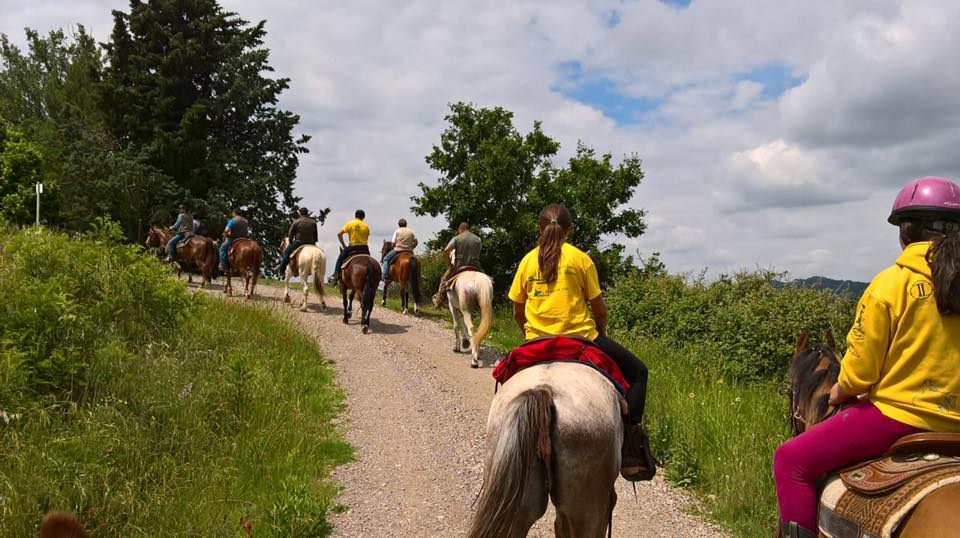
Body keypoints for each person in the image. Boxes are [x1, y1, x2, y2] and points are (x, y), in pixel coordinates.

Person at [772, 176, 960, 538]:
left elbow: (860, 371)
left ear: (906, 232)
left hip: (902, 417)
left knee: (791, 461)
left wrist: (841, 390)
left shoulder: (891, 284)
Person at [507, 203, 655, 482]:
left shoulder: (527, 261)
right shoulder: (580, 259)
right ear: (569, 231)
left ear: (539, 229)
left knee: (507, 380)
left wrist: (527, 335)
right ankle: (631, 447)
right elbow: (599, 308)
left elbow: (517, 308)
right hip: (580, 337)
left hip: (536, 339)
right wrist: (601, 333)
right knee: (639, 373)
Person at [431, 222, 482, 307]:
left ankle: (439, 299)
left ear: (460, 229)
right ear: (468, 229)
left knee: (444, 279)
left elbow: (446, 250)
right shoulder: (478, 239)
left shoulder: (456, 238)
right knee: (487, 280)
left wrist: (449, 264)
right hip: (476, 265)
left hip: (459, 265)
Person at [333, 209, 371, 283]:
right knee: (369, 261)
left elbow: (339, 234)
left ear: (355, 216)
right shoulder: (366, 226)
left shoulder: (350, 223)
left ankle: (336, 275)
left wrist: (343, 245)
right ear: (363, 217)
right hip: (364, 248)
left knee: (340, 258)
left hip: (353, 247)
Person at [278, 207, 317, 275]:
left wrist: (290, 241)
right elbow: (315, 235)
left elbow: (290, 234)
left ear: (300, 213)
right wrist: (314, 242)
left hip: (299, 242)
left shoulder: (296, 222)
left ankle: (282, 270)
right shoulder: (313, 222)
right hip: (311, 243)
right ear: (307, 213)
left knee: (286, 253)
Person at [219, 208, 249, 272]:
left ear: (234, 213)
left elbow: (226, 230)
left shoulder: (233, 220)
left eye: (233, 213)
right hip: (244, 240)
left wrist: (226, 234)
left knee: (222, 249)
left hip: (233, 239)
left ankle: (224, 266)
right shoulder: (246, 221)